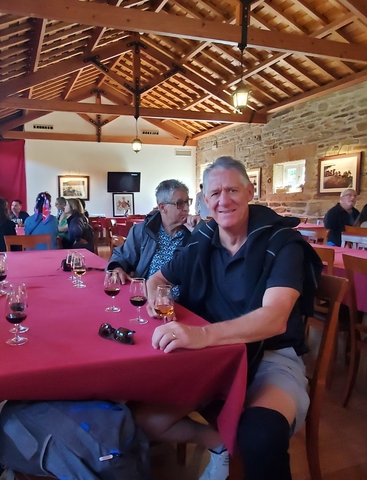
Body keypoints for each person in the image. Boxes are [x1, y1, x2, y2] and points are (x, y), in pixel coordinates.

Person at [132, 156, 323, 480]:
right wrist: (156, 302)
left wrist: (202, 336)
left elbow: (275, 318)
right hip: (213, 362)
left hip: (269, 358)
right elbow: (155, 281)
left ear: (249, 191)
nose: (224, 200)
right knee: (143, 419)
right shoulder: (202, 242)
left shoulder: (282, 243)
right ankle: (221, 445)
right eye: (215, 193)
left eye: (232, 190)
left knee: (261, 436)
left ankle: (238, 445)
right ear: (205, 200)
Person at [108, 180, 199, 297]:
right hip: (145, 298)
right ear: (162, 207)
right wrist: (117, 267)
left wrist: (199, 233)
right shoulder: (143, 231)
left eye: (187, 202)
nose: (186, 208)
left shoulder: (192, 234)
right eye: (180, 203)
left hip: (182, 304)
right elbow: (122, 256)